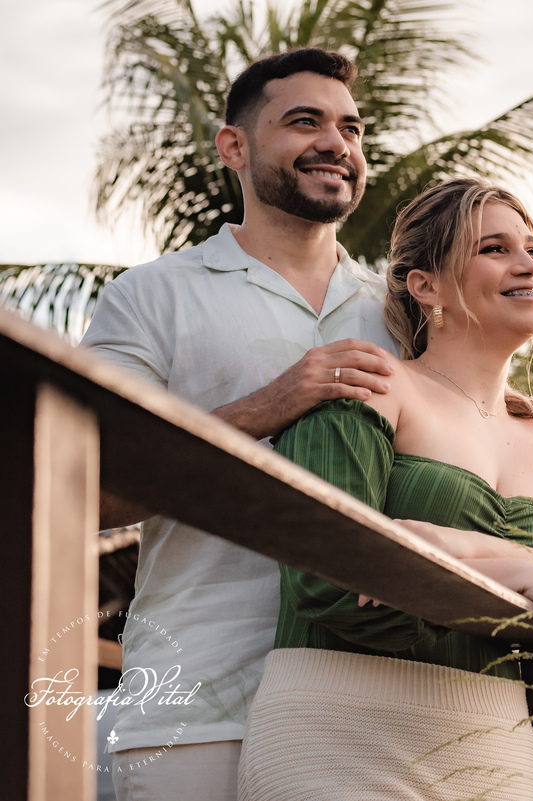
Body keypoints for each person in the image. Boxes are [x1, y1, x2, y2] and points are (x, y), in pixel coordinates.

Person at [237, 178, 533, 800]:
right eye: (494, 248)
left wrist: (459, 551)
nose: (528, 266)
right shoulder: (368, 386)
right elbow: (329, 579)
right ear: (425, 285)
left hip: (497, 745)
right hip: (338, 727)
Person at [81, 48, 398, 801]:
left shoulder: (402, 309)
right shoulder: (150, 297)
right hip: (193, 704)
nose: (337, 143)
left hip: (373, 707)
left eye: (351, 129)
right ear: (234, 146)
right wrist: (266, 406)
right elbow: (88, 493)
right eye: (304, 122)